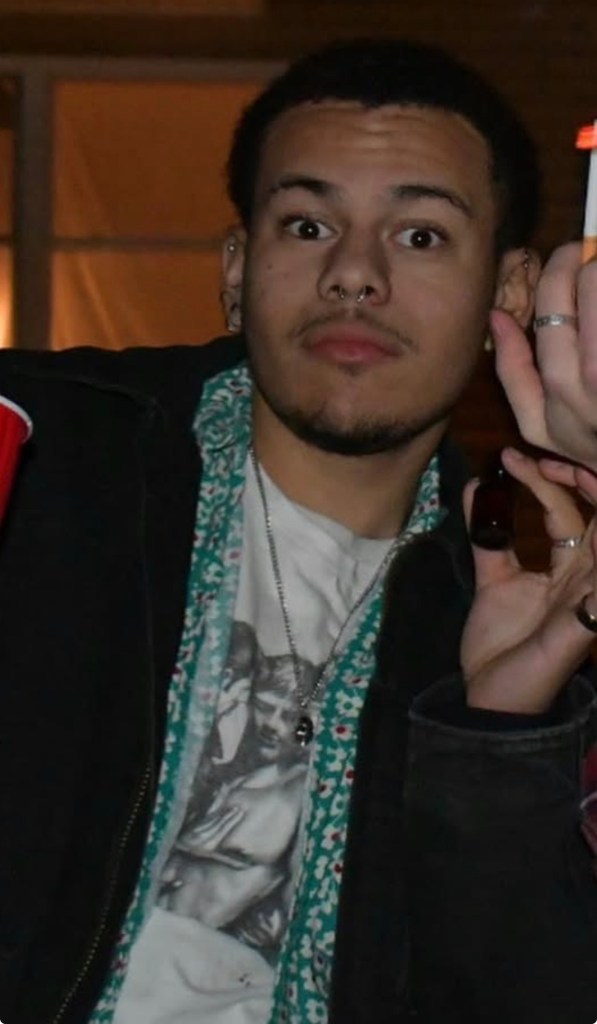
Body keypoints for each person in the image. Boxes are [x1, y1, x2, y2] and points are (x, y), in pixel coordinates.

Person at [0, 37, 597, 1024]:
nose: (354, 275)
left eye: (420, 237)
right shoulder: (40, 465)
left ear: (510, 292)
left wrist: (496, 743)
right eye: (309, 223)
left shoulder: (512, 618)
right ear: (238, 270)